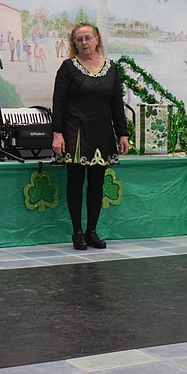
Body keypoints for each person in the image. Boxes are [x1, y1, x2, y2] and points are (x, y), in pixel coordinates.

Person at [52, 23, 129, 250]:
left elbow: (116, 105)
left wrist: (122, 134)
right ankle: (77, 233)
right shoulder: (67, 68)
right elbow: (59, 104)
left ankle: (92, 231)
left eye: (88, 38)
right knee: (75, 182)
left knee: (96, 183)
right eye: (79, 39)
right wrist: (57, 134)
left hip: (102, 133)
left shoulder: (111, 69)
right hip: (75, 133)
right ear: (74, 44)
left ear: (97, 39)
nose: (84, 43)